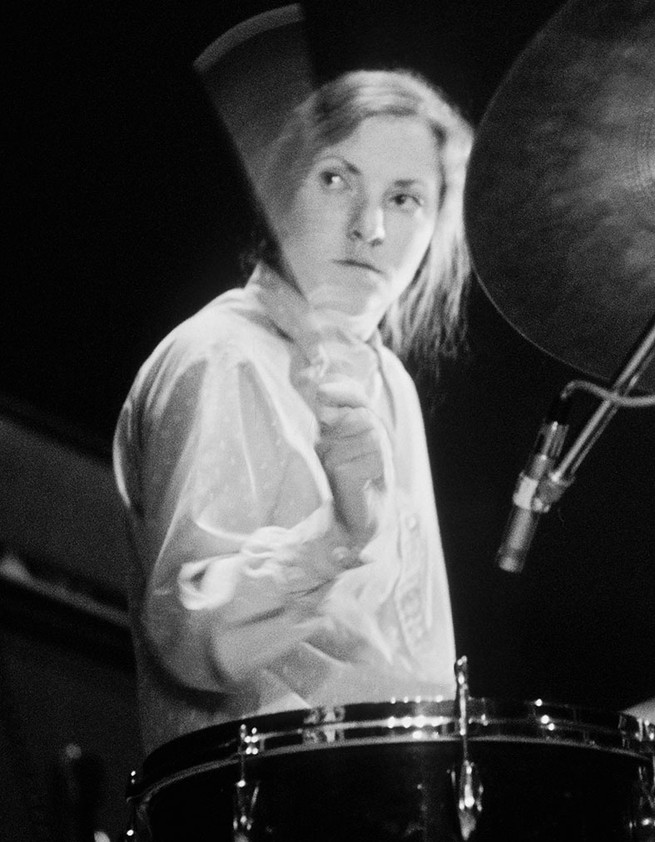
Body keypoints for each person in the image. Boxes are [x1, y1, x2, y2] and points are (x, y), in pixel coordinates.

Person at [113, 67, 473, 754]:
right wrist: (338, 534)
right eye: (338, 180)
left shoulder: (387, 383)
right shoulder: (222, 356)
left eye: (404, 199)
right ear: (280, 190)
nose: (369, 228)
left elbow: (414, 677)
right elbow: (193, 636)